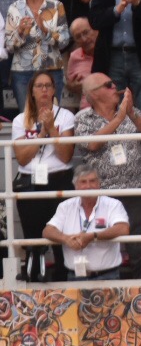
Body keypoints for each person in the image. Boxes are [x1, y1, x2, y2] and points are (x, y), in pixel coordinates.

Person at [13, 70, 77, 280]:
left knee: (61, 234)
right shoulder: (20, 120)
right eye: (39, 86)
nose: (44, 90)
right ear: (31, 91)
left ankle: (62, 278)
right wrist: (42, 134)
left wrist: (52, 129)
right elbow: (22, 158)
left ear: (54, 90)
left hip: (59, 179)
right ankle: (34, 278)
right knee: (33, 238)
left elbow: (66, 155)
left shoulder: (66, 116)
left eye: (48, 85)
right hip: (30, 182)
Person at [43, 166, 130, 280]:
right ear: (76, 186)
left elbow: (123, 229)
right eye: (83, 182)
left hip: (107, 276)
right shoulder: (65, 206)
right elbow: (47, 231)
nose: (88, 186)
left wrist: (92, 236)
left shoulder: (113, 204)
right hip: (74, 276)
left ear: (99, 184)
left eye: (92, 181)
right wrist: (66, 239)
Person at [5, 0, 67, 112]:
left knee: (52, 115)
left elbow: (65, 40)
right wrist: (20, 32)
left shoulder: (56, 5)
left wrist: (44, 30)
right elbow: (9, 45)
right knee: (26, 117)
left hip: (51, 68)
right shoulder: (14, 8)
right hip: (23, 71)